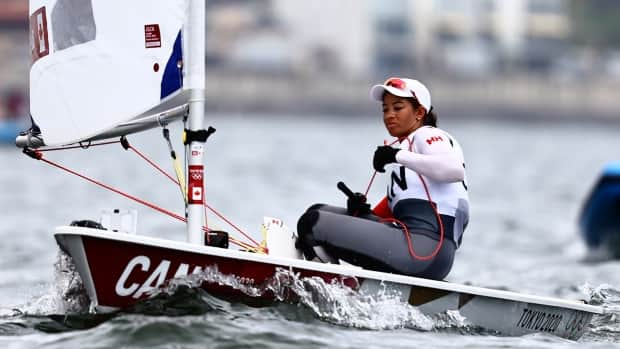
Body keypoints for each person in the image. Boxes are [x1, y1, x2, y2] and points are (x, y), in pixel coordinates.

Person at [295, 77, 469, 280]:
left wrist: (395, 155)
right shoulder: (412, 161)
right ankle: (333, 284)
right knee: (318, 211)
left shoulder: (427, 134)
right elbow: (386, 220)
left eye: (398, 107)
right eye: (385, 109)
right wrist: (361, 212)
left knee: (313, 223)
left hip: (425, 251)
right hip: (418, 247)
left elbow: (454, 170)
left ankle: (331, 292)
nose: (389, 115)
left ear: (419, 113)